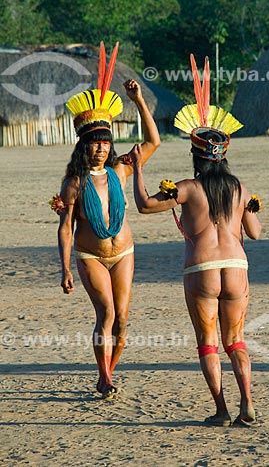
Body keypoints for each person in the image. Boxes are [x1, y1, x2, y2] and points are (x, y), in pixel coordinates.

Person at [130, 54, 262, 426]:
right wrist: (247, 208)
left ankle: (220, 410)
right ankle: (247, 403)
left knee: (208, 343)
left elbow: (143, 206)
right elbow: (255, 232)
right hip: (237, 268)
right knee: (235, 340)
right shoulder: (239, 189)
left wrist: (138, 167)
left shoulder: (187, 189)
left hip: (202, 268)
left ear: (196, 157)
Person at [50, 42, 160, 400]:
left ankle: (108, 372)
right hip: (91, 255)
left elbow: (152, 140)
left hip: (124, 251)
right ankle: (103, 376)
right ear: (84, 145)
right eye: (94, 142)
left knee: (124, 321)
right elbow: (66, 227)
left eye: (105, 141)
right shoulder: (74, 183)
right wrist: (65, 269)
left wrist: (139, 100)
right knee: (107, 313)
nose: (100, 147)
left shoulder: (121, 170)